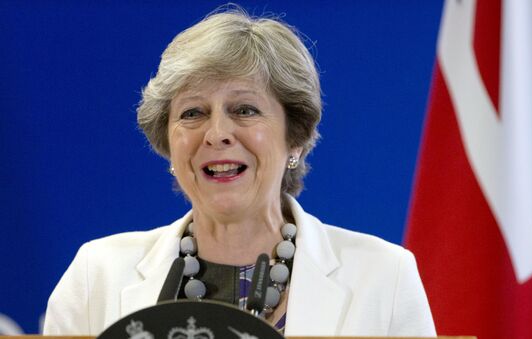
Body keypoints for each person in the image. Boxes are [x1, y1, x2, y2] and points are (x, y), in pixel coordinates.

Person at [43, 6, 436, 337]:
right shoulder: (97, 276)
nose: (217, 134)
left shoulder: (384, 277)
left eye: (244, 110)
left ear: (294, 138)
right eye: (193, 113)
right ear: (169, 143)